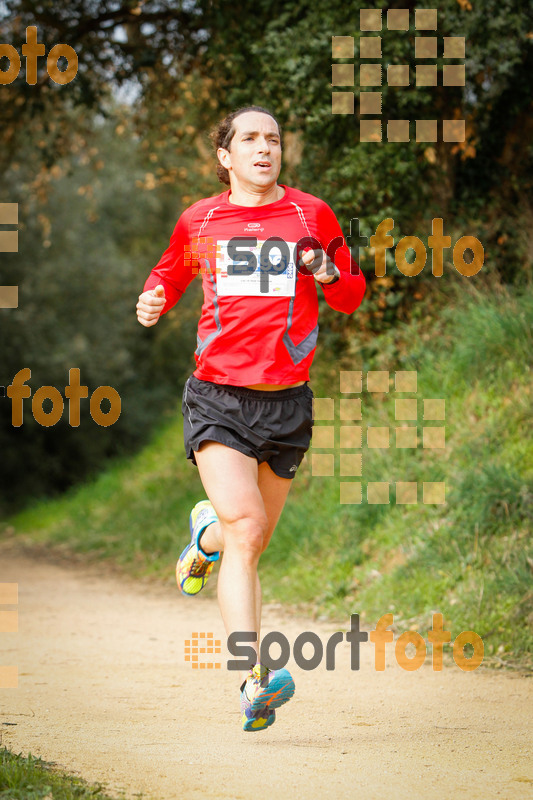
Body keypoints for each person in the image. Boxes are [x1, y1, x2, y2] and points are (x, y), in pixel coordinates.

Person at [136, 105, 366, 732]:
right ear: (225, 156)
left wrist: (329, 270)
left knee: (248, 537)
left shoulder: (310, 215)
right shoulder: (200, 219)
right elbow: (169, 272)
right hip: (218, 399)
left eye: (274, 139)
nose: (264, 148)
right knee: (249, 528)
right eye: (250, 139)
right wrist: (153, 299)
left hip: (288, 402)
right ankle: (251, 680)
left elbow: (352, 292)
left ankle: (202, 537)